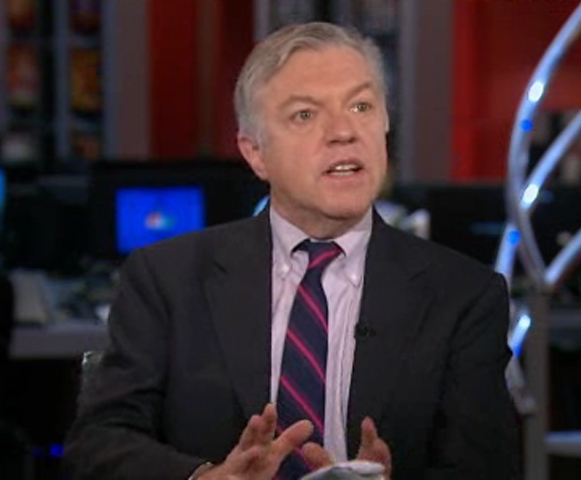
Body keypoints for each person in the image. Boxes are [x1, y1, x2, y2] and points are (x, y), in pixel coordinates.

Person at [64, 22, 521, 479]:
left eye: (361, 106)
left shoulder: (464, 295)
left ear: (384, 125)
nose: (343, 131)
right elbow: (98, 443)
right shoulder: (166, 279)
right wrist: (205, 478)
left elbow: (487, 470)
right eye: (305, 115)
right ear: (255, 153)